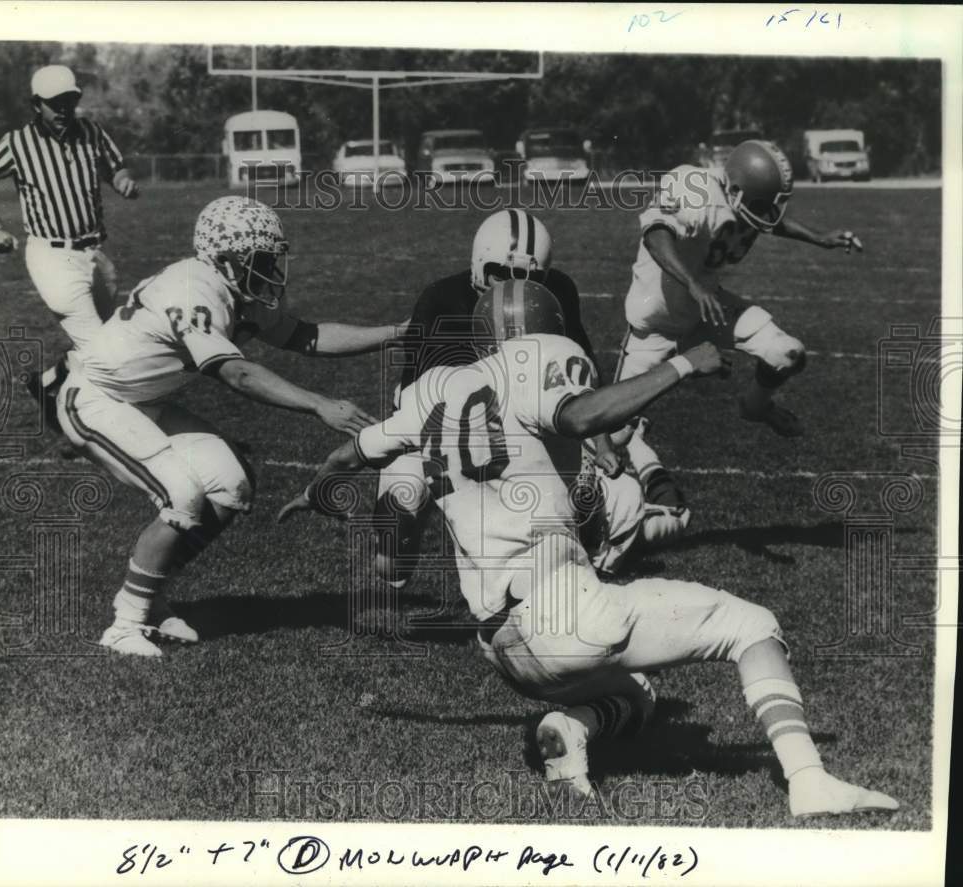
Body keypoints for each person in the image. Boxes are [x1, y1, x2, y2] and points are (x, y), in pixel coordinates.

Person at [281, 278, 898, 818]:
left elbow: (357, 452)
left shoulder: (435, 391)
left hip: (502, 648)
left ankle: (568, 736)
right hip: (567, 616)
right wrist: (682, 366)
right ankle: (810, 781)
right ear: (546, 332)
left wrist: (317, 491)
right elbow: (576, 418)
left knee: (635, 694)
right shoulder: (541, 358)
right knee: (752, 625)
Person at [57, 195, 405, 658]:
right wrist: (320, 404)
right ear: (225, 260)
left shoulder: (236, 289)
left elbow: (307, 336)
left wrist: (395, 333)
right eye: (261, 260)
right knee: (182, 495)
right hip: (95, 398)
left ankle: (147, 599)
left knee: (230, 485)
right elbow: (236, 373)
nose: (272, 269)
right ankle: (124, 625)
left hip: (144, 401)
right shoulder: (194, 288)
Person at [374, 209, 683, 589]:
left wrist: (600, 442)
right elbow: (424, 409)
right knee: (393, 555)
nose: (513, 286)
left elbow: (581, 369)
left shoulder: (558, 294)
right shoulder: (444, 301)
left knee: (618, 497)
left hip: (530, 423)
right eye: (500, 274)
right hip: (438, 429)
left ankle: (587, 572)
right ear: (477, 267)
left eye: (531, 279)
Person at [616, 139, 864, 437]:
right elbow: (655, 235)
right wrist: (692, 283)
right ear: (734, 190)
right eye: (762, 204)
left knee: (788, 353)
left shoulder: (743, 200)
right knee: (616, 433)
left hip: (709, 309)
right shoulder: (694, 186)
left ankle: (755, 407)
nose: (768, 213)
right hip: (655, 325)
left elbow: (769, 220)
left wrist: (820, 238)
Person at [0, 64, 139, 427]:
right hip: (51, 256)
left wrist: (124, 181)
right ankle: (94, 425)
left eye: (70, 101)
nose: (64, 109)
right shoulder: (18, 143)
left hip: (96, 254)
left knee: (98, 340)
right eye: (56, 103)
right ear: (37, 105)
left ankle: (47, 383)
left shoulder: (91, 131)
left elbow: (117, 166)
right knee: (105, 351)